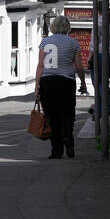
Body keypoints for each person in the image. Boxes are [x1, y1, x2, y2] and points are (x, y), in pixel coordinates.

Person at [34, 14, 86, 160]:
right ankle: (68, 136)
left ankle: (56, 151)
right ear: (67, 27)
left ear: (53, 27)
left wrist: (37, 87)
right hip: (66, 81)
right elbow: (79, 66)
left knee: (51, 116)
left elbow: (40, 66)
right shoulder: (73, 43)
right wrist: (82, 82)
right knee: (68, 113)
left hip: (47, 81)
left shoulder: (45, 42)